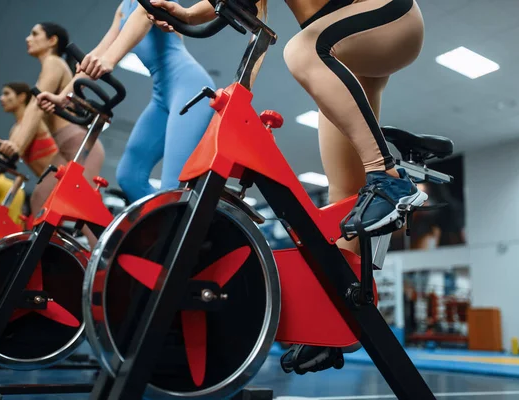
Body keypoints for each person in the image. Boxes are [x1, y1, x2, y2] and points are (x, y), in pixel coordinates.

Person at [146, 0, 427, 374]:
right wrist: (187, 15)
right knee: (345, 198)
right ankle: (336, 321)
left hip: (388, 16)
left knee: (303, 50)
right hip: (347, 47)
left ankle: (389, 179)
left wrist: (193, 14)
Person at [36, 1, 215, 203]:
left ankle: (182, 226)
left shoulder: (147, 3)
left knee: (172, 186)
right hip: (161, 94)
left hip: (189, 86)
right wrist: (64, 97)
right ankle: (159, 227)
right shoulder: (123, 8)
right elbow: (101, 50)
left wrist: (110, 60)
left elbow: (143, 16)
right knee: (129, 177)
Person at [0, 22, 105, 190]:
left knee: (75, 205)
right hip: (65, 146)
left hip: (78, 143)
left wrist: (16, 146)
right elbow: (32, 110)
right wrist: (12, 147)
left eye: (34, 34)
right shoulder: (51, 66)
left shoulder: (53, 62)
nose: (28, 38)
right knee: (40, 196)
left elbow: (36, 107)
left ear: (52, 40)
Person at [0, 83, 64, 215]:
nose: (1, 98)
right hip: (51, 183)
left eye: (7, 94)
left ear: (22, 97)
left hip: (62, 179)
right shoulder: (15, 129)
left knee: (38, 208)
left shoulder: (31, 121)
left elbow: (16, 149)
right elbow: (7, 157)